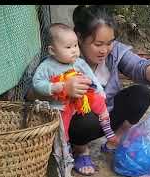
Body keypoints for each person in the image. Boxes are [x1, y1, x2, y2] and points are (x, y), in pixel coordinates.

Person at [38, 5, 150, 176]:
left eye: (109, 43)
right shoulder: (62, 60)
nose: (105, 50)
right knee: (85, 117)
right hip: (79, 123)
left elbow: (139, 66)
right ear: (80, 38)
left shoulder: (115, 52)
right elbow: (33, 92)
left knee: (142, 94)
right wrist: (63, 88)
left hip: (107, 115)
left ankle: (115, 140)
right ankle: (80, 150)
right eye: (98, 44)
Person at [32, 23, 118, 151]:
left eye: (75, 45)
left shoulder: (79, 63)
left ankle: (106, 124)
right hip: (62, 105)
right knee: (62, 124)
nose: (74, 50)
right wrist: (54, 87)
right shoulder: (47, 66)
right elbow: (37, 83)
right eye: (68, 47)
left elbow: (92, 78)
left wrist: (99, 90)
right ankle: (64, 144)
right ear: (52, 50)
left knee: (99, 100)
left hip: (81, 101)